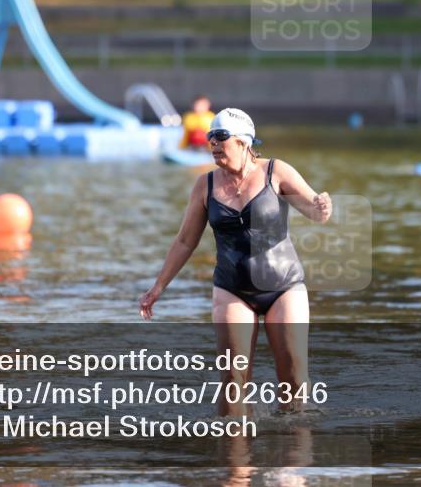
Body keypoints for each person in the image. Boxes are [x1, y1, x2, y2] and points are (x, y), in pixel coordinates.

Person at [140, 108, 332, 416]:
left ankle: (293, 455)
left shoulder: (277, 171)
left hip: (284, 288)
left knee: (293, 381)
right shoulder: (205, 185)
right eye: (210, 137)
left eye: (220, 137)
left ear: (243, 142)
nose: (213, 143)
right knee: (233, 382)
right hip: (232, 290)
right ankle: (236, 457)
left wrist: (322, 207)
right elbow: (185, 241)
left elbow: (314, 210)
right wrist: (158, 286)